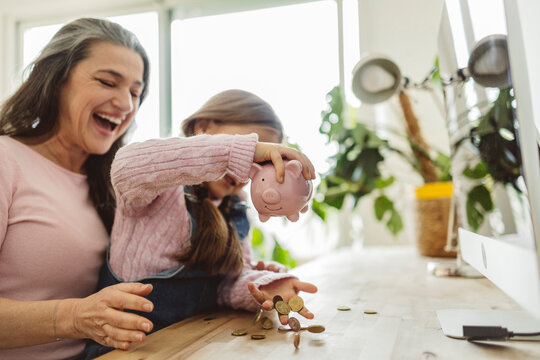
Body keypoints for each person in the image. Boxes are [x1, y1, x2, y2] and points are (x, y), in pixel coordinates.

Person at [84, 89, 318, 358]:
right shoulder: (158, 189)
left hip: (187, 347)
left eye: (260, 160)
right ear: (202, 127)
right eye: (249, 148)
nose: (247, 167)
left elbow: (227, 285)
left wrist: (263, 286)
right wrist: (238, 152)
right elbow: (127, 165)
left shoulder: (235, 211)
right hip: (122, 350)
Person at [0, 18, 159, 359]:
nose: (126, 104)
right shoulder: (5, 161)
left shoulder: (111, 184)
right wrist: (74, 318)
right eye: (107, 82)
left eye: (135, 92)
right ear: (56, 80)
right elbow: (82, 316)